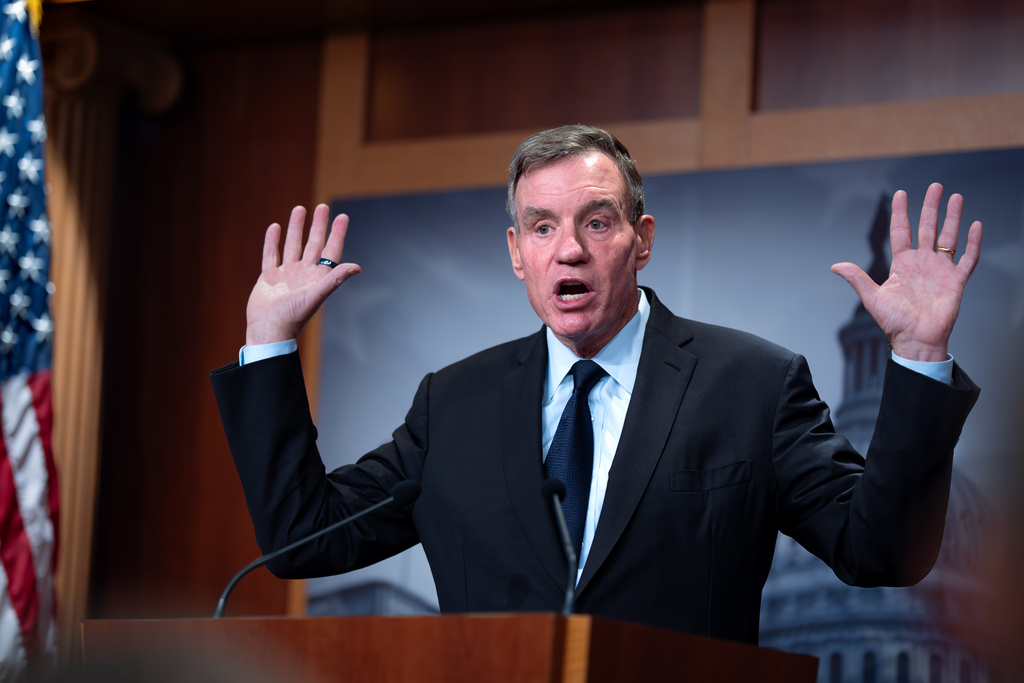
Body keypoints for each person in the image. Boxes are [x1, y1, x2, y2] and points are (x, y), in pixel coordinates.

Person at [211, 125, 981, 644]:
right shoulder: (456, 405)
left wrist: (917, 356)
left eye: (597, 222)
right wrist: (268, 344)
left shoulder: (752, 385)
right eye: (542, 227)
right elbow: (299, 537)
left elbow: (881, 551)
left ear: (641, 239)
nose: (568, 251)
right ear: (517, 253)